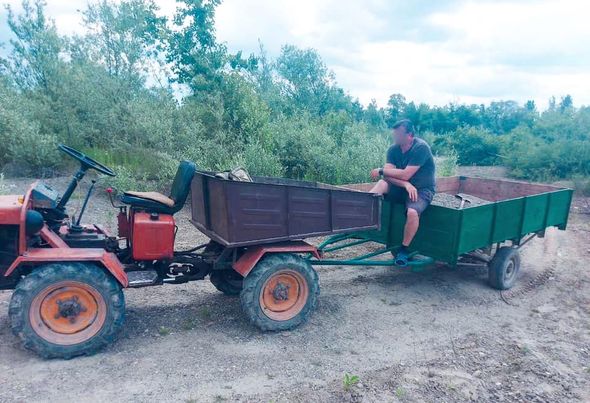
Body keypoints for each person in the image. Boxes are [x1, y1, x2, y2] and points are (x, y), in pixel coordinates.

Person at [370, 119, 436, 266]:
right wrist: (405, 184)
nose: (395, 137)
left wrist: (380, 170)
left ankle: (404, 249)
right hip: (404, 187)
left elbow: (405, 174)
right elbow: (388, 177)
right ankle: (363, 218)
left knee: (412, 212)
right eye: (395, 134)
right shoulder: (393, 149)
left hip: (422, 189)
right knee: (381, 183)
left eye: (398, 134)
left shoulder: (421, 148)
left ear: (410, 135)